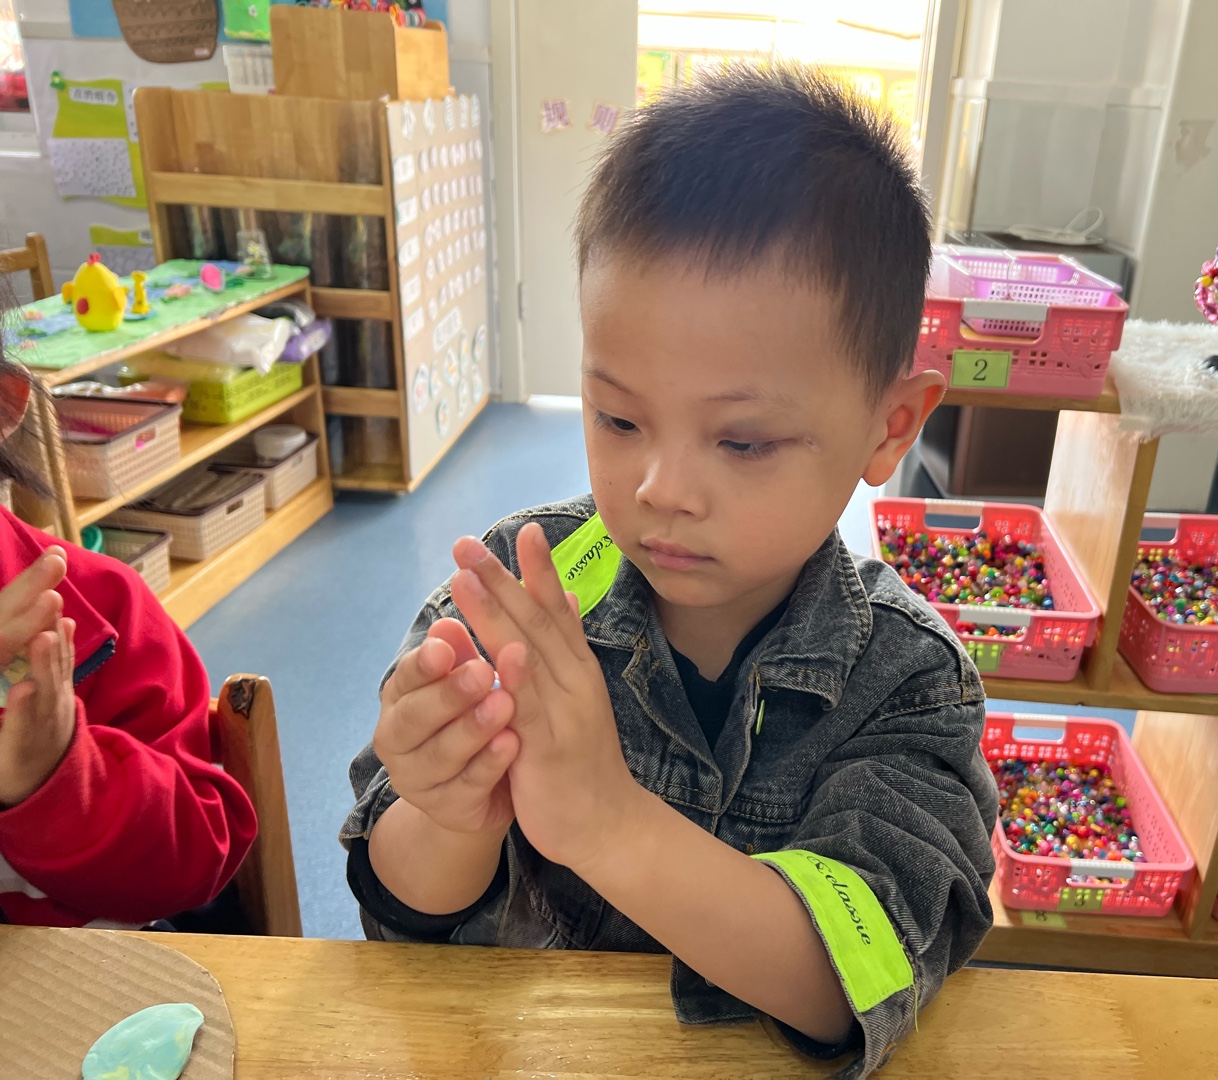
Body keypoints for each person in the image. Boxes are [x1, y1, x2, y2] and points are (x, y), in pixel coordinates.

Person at [343, 66, 997, 1077]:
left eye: (743, 442)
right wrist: (446, 811)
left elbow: (857, 978)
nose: (661, 489)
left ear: (890, 426)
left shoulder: (907, 682)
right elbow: (400, 913)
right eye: (618, 418)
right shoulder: (523, 596)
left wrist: (608, 824)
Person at [0, 358, 256, 927]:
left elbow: (197, 856)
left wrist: (56, 776)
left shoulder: (103, 607)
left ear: (5, 403)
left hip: (99, 971)